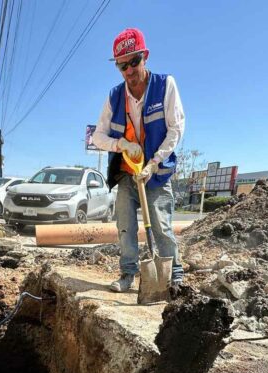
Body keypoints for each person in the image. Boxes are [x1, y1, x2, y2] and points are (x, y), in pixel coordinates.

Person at [92, 28, 185, 293]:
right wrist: (120, 144)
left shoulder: (164, 86)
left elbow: (175, 129)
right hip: (126, 174)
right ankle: (127, 274)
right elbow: (98, 136)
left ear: (145, 56)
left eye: (134, 61)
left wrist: (154, 163)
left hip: (156, 172)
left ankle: (174, 276)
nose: (130, 70)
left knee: (161, 226)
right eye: (123, 65)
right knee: (125, 228)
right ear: (117, 66)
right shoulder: (114, 97)